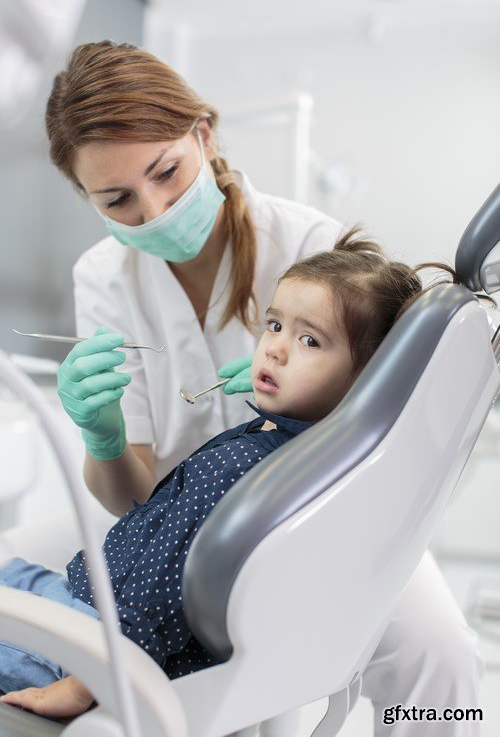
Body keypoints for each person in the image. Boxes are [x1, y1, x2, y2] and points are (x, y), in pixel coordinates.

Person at [31, 40, 481, 735]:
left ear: (203, 136)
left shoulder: (308, 240)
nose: (152, 211)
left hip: (324, 512)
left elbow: (380, 427)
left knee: (443, 657)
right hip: (172, 512)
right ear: (86, 199)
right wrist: (104, 435)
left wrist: (323, 408)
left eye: (167, 173)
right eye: (117, 200)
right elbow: (134, 493)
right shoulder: (102, 277)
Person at [0, 232, 467, 720]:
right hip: (105, 608)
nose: (274, 350)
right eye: (274, 324)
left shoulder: (237, 469)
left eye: (310, 340)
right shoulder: (303, 450)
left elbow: (161, 585)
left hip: (108, 643)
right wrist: (105, 438)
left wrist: (86, 682)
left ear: (367, 380)